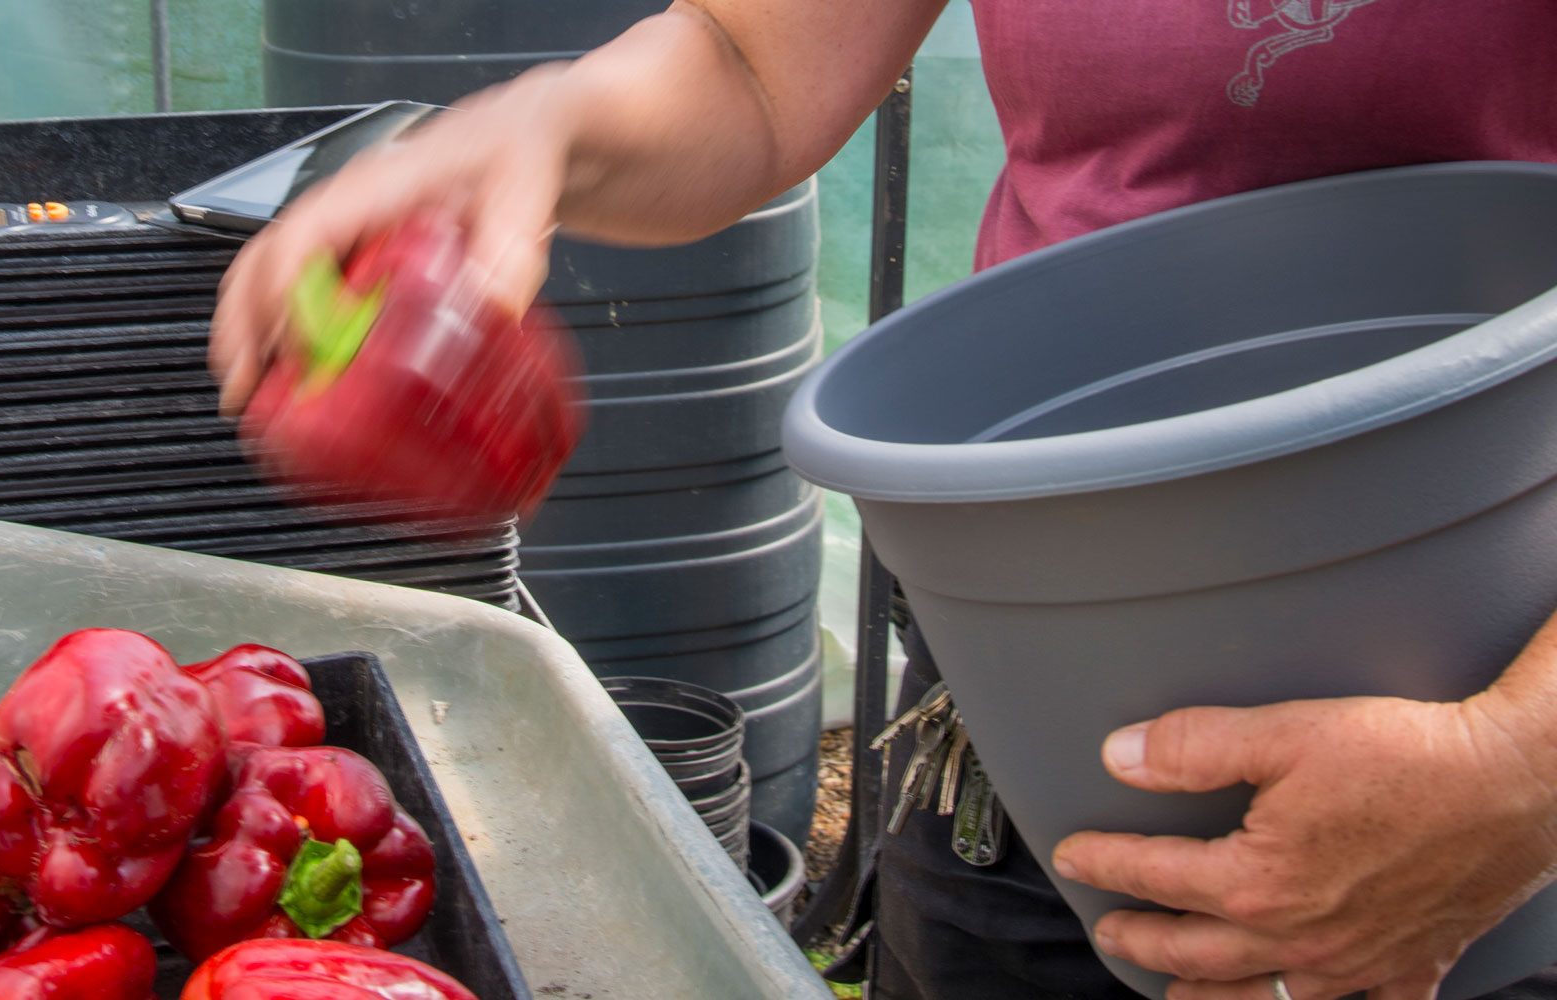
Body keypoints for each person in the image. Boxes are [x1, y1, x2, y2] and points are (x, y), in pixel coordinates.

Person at [208, 3, 1557, 998]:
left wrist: (1514, 772)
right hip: (1039, 696)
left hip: (1497, 661)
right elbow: (753, 68)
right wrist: (539, 126)